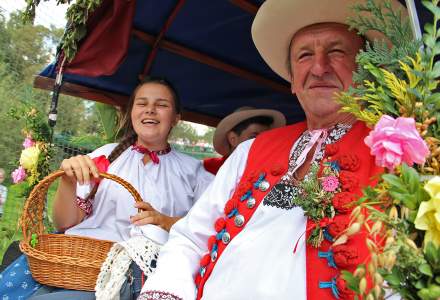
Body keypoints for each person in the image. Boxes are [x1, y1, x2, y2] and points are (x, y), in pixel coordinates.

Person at [139, 0, 407, 299]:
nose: (319, 67)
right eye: (305, 55)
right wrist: (166, 291)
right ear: (293, 81)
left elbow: (411, 274)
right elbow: (190, 237)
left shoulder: (402, 152)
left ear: (365, 70)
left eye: (336, 51)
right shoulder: (250, 152)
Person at [28, 77, 214, 300]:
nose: (151, 110)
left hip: (150, 276)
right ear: (131, 113)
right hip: (86, 265)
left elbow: (211, 231)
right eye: (142, 103)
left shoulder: (195, 172)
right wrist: (68, 181)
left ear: (176, 118)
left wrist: (167, 222)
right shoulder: (103, 156)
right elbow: (64, 223)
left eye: (162, 105)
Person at [203, 106, 285, 175]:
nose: (262, 143)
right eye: (253, 137)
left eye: (265, 139)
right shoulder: (207, 168)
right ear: (233, 139)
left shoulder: (268, 173)